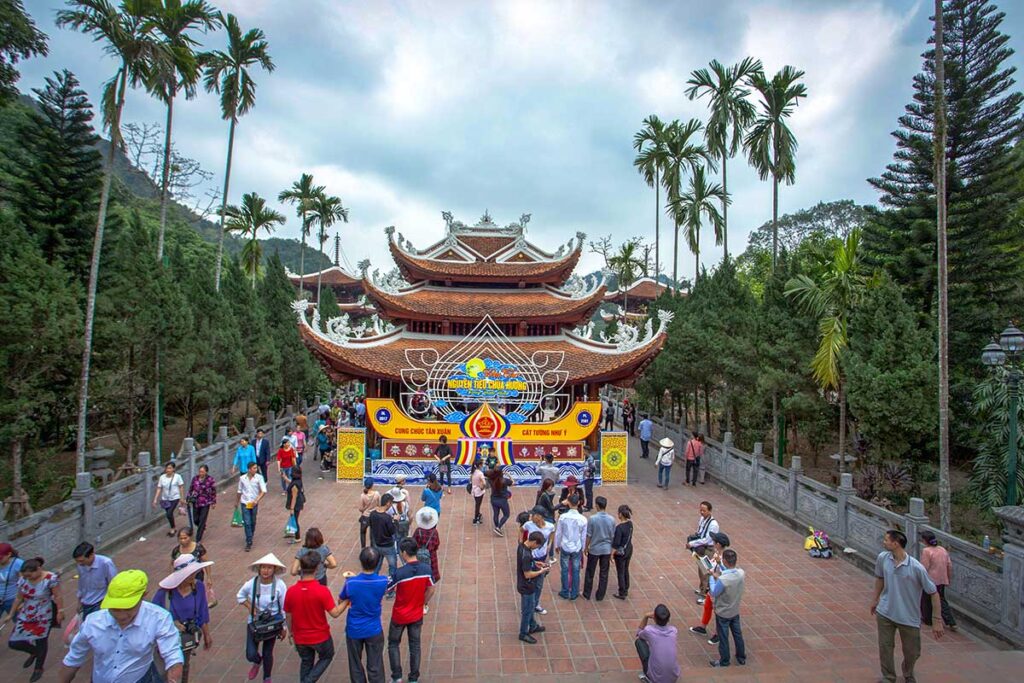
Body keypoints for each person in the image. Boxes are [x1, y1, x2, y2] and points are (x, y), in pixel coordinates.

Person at [59, 569, 183, 683]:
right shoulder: (93, 622)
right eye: (115, 609)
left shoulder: (159, 618)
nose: (121, 616)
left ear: (143, 596)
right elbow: (73, 658)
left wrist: (174, 676)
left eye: (128, 608)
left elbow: (172, 655)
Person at [871, 529, 943, 683]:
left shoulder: (916, 568)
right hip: (885, 612)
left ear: (896, 543)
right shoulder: (883, 558)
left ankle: (908, 673)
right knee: (885, 647)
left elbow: (933, 593)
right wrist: (875, 599)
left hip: (908, 616)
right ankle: (888, 677)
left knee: (913, 652)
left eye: (886, 540)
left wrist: (936, 620)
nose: (884, 542)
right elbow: (880, 578)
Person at [284, 551, 348, 683]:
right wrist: (347, 601)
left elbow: (288, 615)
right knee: (327, 656)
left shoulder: (291, 591)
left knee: (306, 661)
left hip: (300, 637)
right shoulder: (322, 591)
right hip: (320, 636)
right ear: (317, 568)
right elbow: (335, 613)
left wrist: (291, 632)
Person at [0, 557, 62, 682]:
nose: (29, 578)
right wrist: (11, 614)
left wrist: (61, 611)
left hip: (44, 614)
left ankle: (38, 668)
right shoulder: (23, 580)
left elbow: (58, 596)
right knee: (14, 642)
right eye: (26, 576)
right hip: (27, 613)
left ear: (38, 569)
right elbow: (19, 598)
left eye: (30, 575)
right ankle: (34, 652)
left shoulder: (50, 578)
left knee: (41, 641)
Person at [152, 554, 213, 675]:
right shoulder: (164, 593)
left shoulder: (199, 587)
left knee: (184, 666)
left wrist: (207, 634)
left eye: (194, 572)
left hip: (187, 638)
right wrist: (171, 623)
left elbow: (203, 613)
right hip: (166, 641)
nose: (192, 576)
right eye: (189, 573)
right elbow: (152, 617)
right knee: (164, 671)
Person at [386, 538, 435, 683]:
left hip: (399, 615)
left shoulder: (400, 573)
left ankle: (397, 676)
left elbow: (388, 588)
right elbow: (431, 589)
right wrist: (422, 602)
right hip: (416, 614)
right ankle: (413, 678)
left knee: (393, 644)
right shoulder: (426, 570)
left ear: (404, 553)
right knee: (415, 646)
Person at [338, 547, 389, 683]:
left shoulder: (351, 583)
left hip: (354, 629)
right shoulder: (382, 581)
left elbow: (341, 600)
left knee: (355, 664)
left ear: (361, 561)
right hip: (374, 628)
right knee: (375, 665)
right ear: (377, 563)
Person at [237, 553, 288, 683]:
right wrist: (250, 607)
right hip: (255, 622)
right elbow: (240, 596)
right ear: (259, 569)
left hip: (272, 622)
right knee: (250, 654)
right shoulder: (251, 584)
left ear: (274, 569)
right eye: (263, 567)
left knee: (268, 652)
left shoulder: (280, 585)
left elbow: (284, 607)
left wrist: (284, 627)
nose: (266, 571)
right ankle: (257, 661)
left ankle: (267, 677)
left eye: (269, 568)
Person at [689, 531, 730, 643]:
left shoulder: (725, 558)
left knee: (718, 612)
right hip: (712, 587)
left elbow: (725, 574)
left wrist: (713, 571)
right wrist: (702, 562)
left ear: (718, 544)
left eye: (714, 541)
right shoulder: (717, 554)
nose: (713, 543)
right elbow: (711, 566)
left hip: (719, 589)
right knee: (707, 606)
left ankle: (718, 634)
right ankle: (703, 627)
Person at [709, 548, 746, 667]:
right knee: (737, 634)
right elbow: (730, 572)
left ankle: (724, 660)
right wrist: (720, 565)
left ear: (724, 560)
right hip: (735, 610)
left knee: (723, 637)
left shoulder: (722, 580)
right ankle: (741, 657)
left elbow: (714, 592)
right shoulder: (741, 573)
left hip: (723, 612)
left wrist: (712, 577)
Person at [516, 531, 551, 643]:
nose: (537, 548)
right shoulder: (526, 555)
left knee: (531, 606)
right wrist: (541, 571)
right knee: (527, 610)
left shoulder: (522, 547)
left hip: (525, 584)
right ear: (534, 542)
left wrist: (536, 563)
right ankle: (523, 633)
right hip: (527, 586)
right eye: (538, 546)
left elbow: (527, 563)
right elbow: (528, 574)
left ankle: (533, 625)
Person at [920, 531, 957, 631]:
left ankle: (927, 619)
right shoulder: (942, 549)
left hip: (930, 579)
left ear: (925, 541)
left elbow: (924, 567)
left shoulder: (926, 551)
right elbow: (949, 565)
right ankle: (951, 621)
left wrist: (920, 578)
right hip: (942, 579)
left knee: (926, 599)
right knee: (941, 599)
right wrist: (948, 578)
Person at [522, 506, 555, 616]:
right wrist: (521, 543)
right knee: (528, 582)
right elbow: (521, 530)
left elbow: (552, 534)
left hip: (542, 557)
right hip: (530, 557)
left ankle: (535, 604)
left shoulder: (550, 526)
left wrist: (549, 545)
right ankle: (526, 605)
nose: (531, 517)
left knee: (539, 584)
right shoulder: (528, 524)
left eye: (533, 515)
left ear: (540, 516)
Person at [635, 604, 680, 683]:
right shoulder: (673, 630)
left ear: (654, 618)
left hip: (656, 679)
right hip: (673, 677)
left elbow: (638, 634)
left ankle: (648, 677)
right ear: (668, 619)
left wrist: (646, 616)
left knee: (639, 642)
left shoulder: (649, 630)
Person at [555, 493, 588, 600]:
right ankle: (574, 592)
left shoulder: (563, 517)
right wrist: (583, 548)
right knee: (576, 570)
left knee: (564, 570)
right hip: (577, 547)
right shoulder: (583, 519)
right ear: (578, 503)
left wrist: (557, 545)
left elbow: (558, 533)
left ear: (568, 503)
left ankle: (565, 591)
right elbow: (583, 536)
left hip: (565, 545)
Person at [582, 496, 615, 601]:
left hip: (594, 549)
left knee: (590, 572)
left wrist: (586, 547)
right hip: (606, 549)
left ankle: (587, 593)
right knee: (604, 573)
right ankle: (600, 595)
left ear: (597, 505)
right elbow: (612, 536)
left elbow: (589, 535)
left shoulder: (592, 519)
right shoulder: (612, 519)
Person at [72, 543, 116, 618]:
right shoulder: (80, 565)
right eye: (77, 561)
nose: (79, 563)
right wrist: (79, 602)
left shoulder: (106, 563)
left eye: (82, 561)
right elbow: (81, 584)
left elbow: (113, 584)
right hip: (86, 603)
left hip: (100, 603)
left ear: (91, 555)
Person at [687, 501, 719, 598]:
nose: (701, 512)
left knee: (706, 571)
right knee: (701, 569)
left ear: (710, 511)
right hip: (699, 549)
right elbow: (700, 532)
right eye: (700, 510)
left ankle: (705, 593)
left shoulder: (713, 524)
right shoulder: (702, 519)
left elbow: (707, 540)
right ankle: (702, 588)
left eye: (704, 511)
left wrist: (692, 543)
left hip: (707, 550)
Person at [369, 493, 400, 591]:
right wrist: (395, 521)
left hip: (377, 544)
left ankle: (372, 586)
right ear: (388, 503)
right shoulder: (386, 517)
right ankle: (390, 589)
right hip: (388, 546)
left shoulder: (373, 514)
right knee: (392, 567)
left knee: (376, 567)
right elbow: (392, 531)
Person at [237, 461, 267, 552]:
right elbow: (239, 491)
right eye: (254, 468)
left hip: (254, 503)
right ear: (249, 469)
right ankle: (249, 541)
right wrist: (236, 502)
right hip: (245, 502)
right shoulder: (242, 478)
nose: (255, 469)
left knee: (252, 521)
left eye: (256, 468)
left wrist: (257, 500)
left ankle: (250, 534)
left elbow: (263, 491)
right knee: (247, 522)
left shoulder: (259, 478)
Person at [152, 462, 185, 537]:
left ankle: (172, 528)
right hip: (165, 499)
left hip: (175, 498)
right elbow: (159, 488)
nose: (168, 470)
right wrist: (155, 499)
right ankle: (173, 526)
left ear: (173, 469)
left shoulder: (177, 477)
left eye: (170, 468)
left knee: (169, 513)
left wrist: (182, 498)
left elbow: (181, 487)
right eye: (167, 468)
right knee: (169, 514)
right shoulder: (162, 477)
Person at [186, 465, 216, 542]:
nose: (201, 473)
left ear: (206, 472)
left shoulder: (210, 480)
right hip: (196, 502)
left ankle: (198, 538)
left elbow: (213, 491)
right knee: (195, 519)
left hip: (205, 502)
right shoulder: (195, 478)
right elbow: (191, 489)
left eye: (202, 472)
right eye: (200, 471)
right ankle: (202, 526)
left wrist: (213, 502)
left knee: (202, 519)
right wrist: (188, 497)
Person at [412, 506, 442, 583]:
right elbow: (436, 544)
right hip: (431, 555)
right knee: (432, 573)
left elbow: (413, 542)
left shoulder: (418, 531)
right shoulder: (434, 532)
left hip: (418, 555)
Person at [612, 504, 634, 600]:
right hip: (629, 549)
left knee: (620, 572)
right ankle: (626, 586)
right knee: (626, 569)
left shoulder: (619, 528)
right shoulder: (630, 524)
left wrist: (612, 554)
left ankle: (622, 591)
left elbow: (616, 544)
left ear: (620, 514)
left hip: (621, 553)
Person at [487, 464, 513, 536]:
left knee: (496, 514)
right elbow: (513, 482)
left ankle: (496, 526)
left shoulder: (490, 480)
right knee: (506, 515)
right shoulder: (504, 480)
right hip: (502, 500)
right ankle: (498, 527)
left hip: (493, 499)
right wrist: (508, 475)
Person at [0, 543, 24, 618]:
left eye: (0, 558)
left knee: (18, 621)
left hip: (13, 599)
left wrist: (23, 601)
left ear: (9, 554)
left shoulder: (18, 563)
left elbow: (24, 584)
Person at [286, 465, 307, 543]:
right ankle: (292, 532)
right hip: (299, 502)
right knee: (294, 518)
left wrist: (291, 508)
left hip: (296, 504)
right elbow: (291, 483)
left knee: (295, 519)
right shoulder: (298, 481)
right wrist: (285, 478)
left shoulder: (295, 485)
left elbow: (294, 498)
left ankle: (297, 537)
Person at [358, 479, 380, 549]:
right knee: (373, 534)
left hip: (365, 516)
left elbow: (360, 508)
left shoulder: (362, 495)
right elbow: (379, 505)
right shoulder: (377, 494)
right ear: (372, 485)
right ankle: (372, 549)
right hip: (374, 516)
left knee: (362, 532)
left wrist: (364, 509)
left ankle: (363, 548)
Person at [470, 458, 487, 525]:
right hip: (479, 492)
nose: (483, 465)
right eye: (482, 464)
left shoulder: (473, 471)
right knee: (478, 505)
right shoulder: (480, 473)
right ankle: (476, 518)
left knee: (477, 504)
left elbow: (470, 479)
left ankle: (478, 514)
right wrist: (482, 487)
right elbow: (484, 483)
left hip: (474, 490)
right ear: (480, 465)